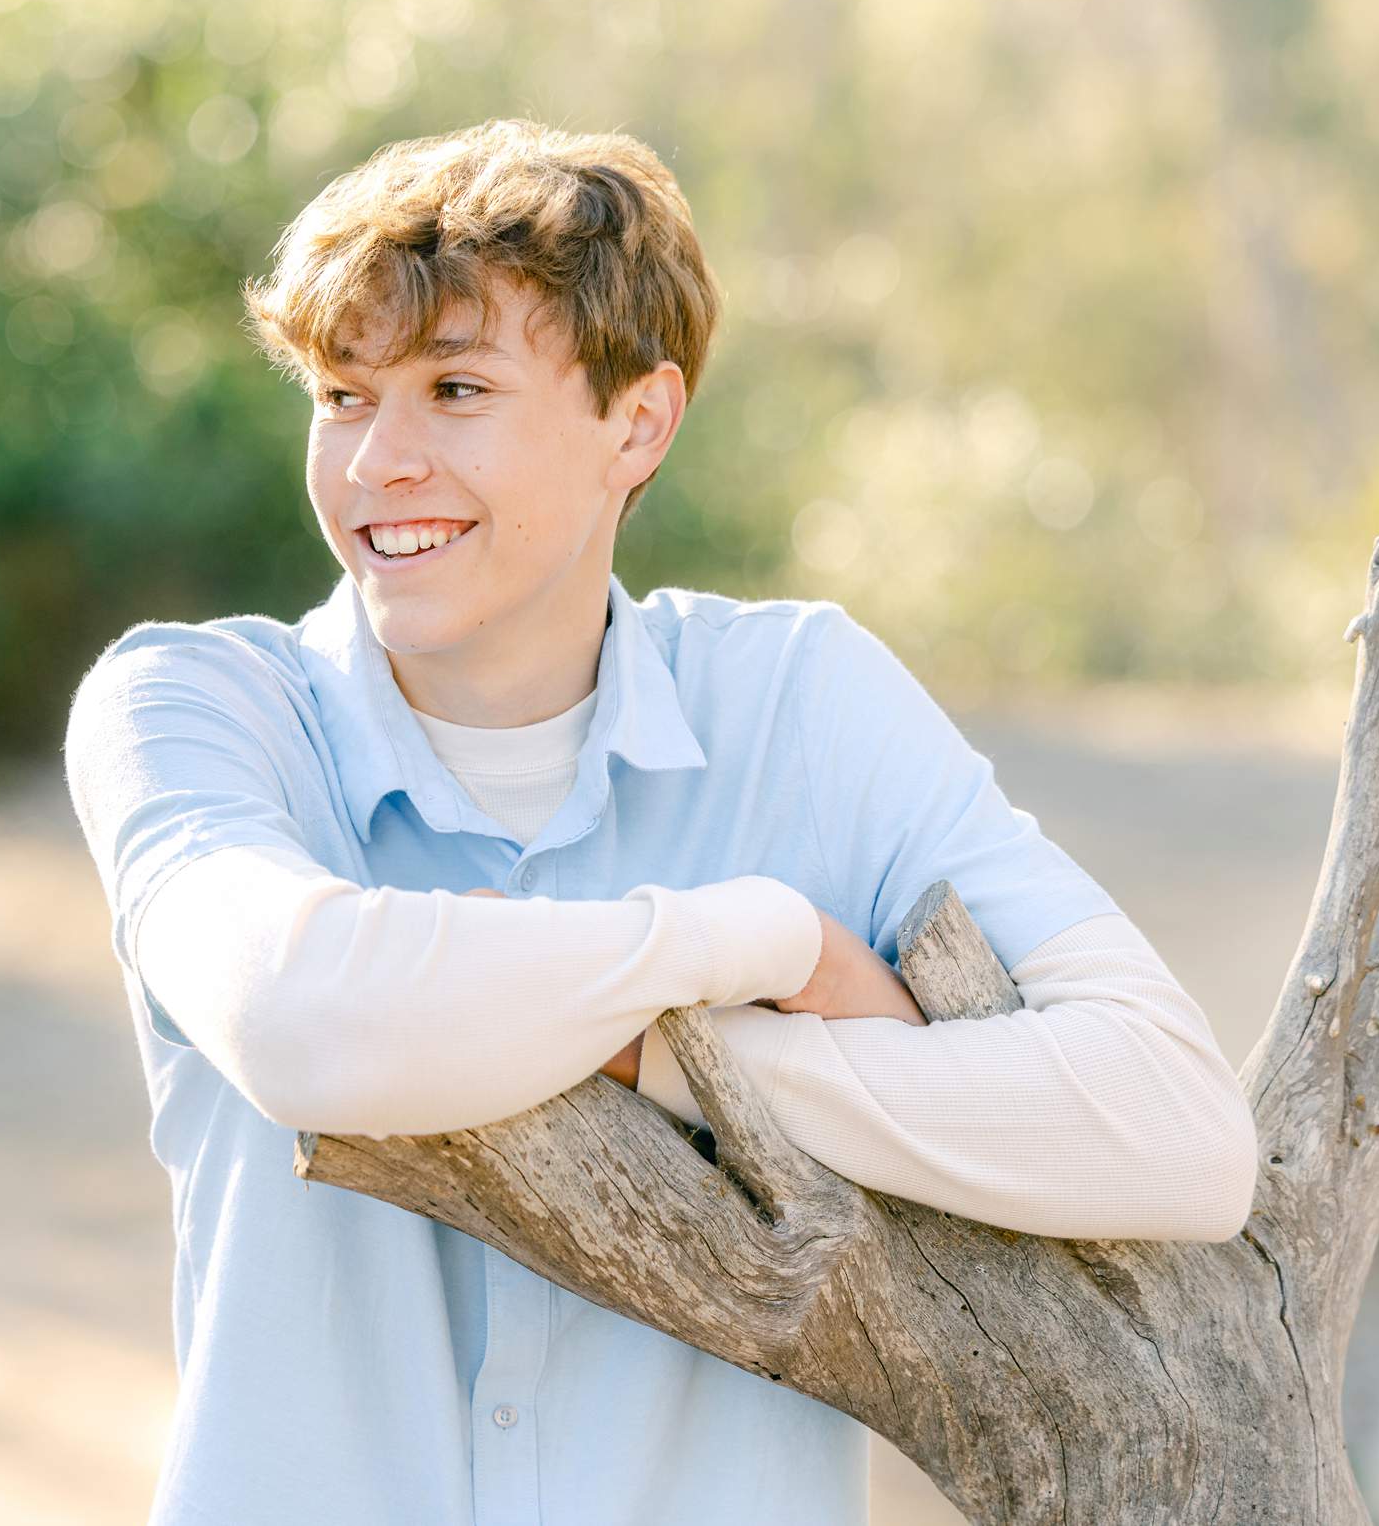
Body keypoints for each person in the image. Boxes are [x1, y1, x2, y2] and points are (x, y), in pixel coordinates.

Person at [61, 117, 1256, 1526]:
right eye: (340, 396)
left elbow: (1179, 1128)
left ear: (638, 422)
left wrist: (666, 1062)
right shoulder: (194, 707)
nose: (378, 460)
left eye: (454, 389)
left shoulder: (800, 699)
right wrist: (746, 938)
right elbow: (305, 1021)